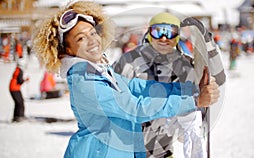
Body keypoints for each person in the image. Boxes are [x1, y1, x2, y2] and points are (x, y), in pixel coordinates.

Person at [32, 1, 220, 158]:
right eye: (81, 38)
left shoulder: (101, 71)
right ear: (67, 50)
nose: (92, 40)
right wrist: (193, 101)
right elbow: (135, 108)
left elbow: (139, 87)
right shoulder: (85, 82)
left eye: (93, 33)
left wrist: (190, 89)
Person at [113, 12, 224, 158]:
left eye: (170, 32)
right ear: (150, 34)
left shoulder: (184, 65)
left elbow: (216, 75)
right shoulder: (130, 60)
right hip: (128, 146)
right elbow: (113, 89)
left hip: (163, 149)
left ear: (177, 36)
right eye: (157, 31)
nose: (164, 38)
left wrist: (207, 41)